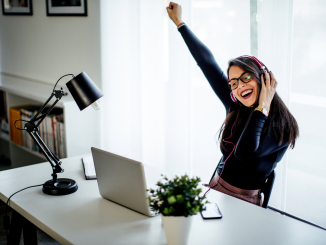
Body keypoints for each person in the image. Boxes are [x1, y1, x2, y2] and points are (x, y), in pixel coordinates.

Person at [166, 2, 299, 207]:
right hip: (214, 188)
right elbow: (207, 63)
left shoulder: (283, 125)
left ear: (263, 78)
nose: (238, 87)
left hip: (244, 201)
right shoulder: (236, 106)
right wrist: (179, 23)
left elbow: (244, 153)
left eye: (245, 78)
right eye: (233, 83)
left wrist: (262, 107)